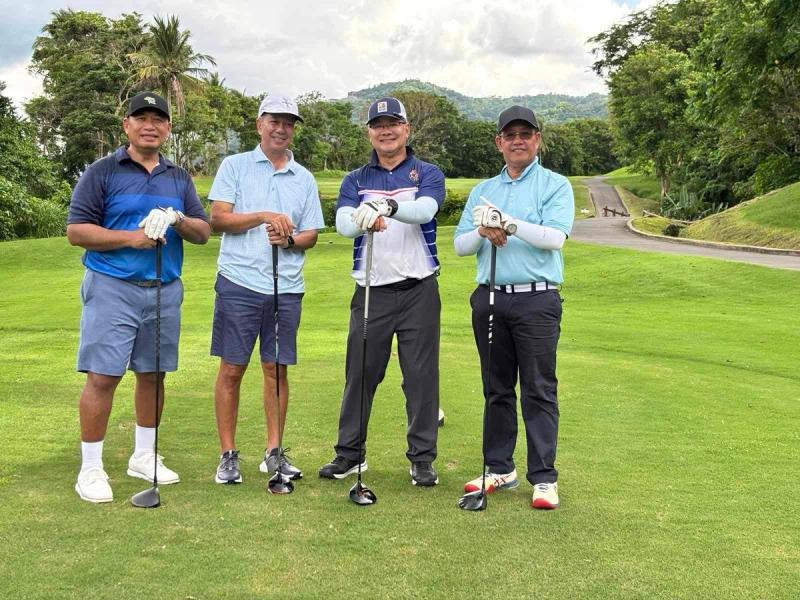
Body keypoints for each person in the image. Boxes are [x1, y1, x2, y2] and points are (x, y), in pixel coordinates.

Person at [67, 91, 211, 503]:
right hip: (112, 285)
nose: (150, 125)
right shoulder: (102, 171)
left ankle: (143, 456)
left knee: (153, 374)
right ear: (126, 125)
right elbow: (77, 231)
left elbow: (203, 232)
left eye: (158, 119)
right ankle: (91, 468)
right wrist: (132, 238)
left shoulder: (178, 178)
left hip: (164, 289)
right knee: (103, 375)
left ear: (168, 128)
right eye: (141, 118)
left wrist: (177, 218)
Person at [318, 97, 445, 486]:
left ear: (406, 129)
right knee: (361, 373)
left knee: (421, 377)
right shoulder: (355, 180)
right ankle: (350, 454)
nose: (385, 130)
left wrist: (387, 208)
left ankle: (422, 458)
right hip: (371, 289)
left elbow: (425, 210)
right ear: (369, 133)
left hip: (419, 289)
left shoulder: (427, 173)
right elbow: (344, 225)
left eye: (393, 123)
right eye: (378, 125)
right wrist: (365, 217)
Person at [454, 105, 574, 509]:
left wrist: (507, 223)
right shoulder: (483, 190)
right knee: (496, 388)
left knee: (539, 389)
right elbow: (460, 246)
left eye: (525, 134)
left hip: (537, 299)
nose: (518, 141)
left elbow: (554, 238)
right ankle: (499, 468)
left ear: (537, 139)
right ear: (499, 142)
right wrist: (482, 228)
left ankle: (544, 477)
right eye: (510, 135)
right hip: (490, 297)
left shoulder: (555, 185)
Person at [209, 93, 325, 485]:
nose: (281, 129)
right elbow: (217, 219)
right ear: (259, 124)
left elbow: (310, 235)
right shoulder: (235, 166)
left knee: (276, 369)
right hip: (239, 282)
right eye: (274, 121)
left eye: (288, 123)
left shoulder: (304, 178)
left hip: (286, 288)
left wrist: (289, 240)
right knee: (232, 368)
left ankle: (274, 453)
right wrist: (263, 216)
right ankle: (228, 455)